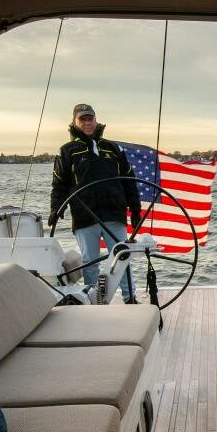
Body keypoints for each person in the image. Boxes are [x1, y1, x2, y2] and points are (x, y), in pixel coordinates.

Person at [50, 103, 144, 302]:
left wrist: (135, 211)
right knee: (90, 262)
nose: (87, 123)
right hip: (85, 216)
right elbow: (59, 185)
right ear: (75, 122)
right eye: (82, 119)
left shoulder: (112, 148)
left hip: (114, 214)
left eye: (90, 118)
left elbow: (129, 181)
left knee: (122, 256)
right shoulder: (67, 151)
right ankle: (93, 300)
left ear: (95, 120)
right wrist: (56, 209)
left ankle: (130, 298)